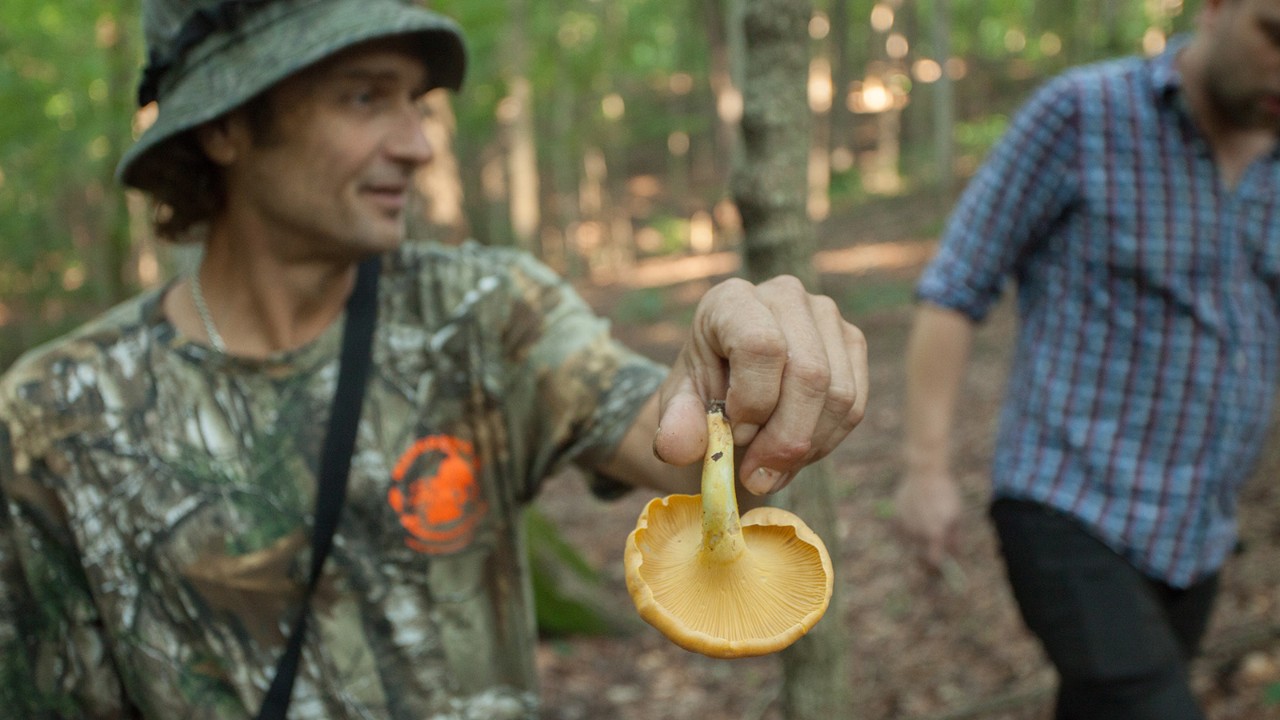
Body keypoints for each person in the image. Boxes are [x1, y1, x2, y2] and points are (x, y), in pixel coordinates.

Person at [0, 0, 869, 717]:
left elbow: (673, 440)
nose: (418, 143)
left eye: (417, 102)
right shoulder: (56, 415)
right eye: (365, 98)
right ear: (227, 126)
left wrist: (739, 362)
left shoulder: (480, 315)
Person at [895, 0, 1280, 718]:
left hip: (1197, 527)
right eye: (1275, 34)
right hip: (1070, 502)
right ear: (1218, 8)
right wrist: (926, 469)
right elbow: (955, 286)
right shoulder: (1081, 114)